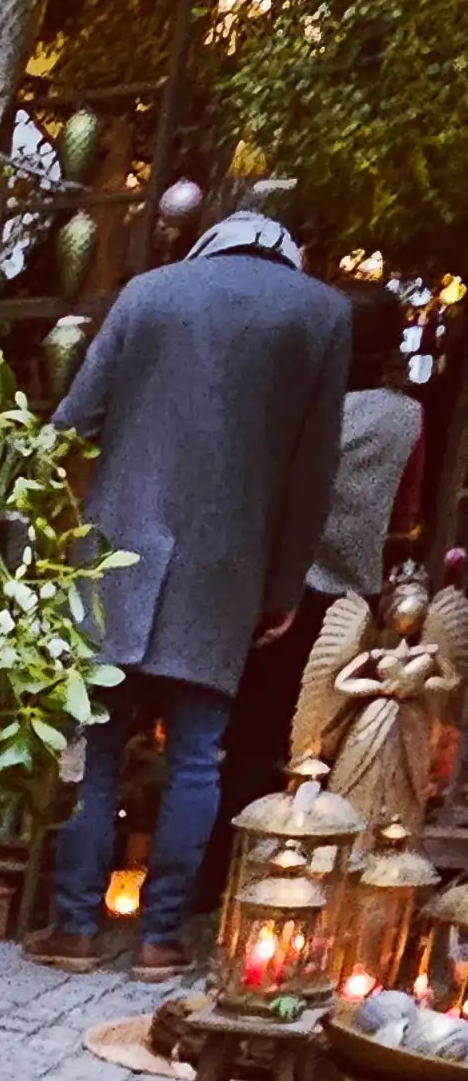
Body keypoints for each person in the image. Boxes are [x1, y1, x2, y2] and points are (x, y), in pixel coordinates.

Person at [26, 211, 351, 980]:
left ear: (209, 242)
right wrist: (282, 586)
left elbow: (74, 420)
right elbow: (312, 468)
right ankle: (159, 938)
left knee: (94, 749)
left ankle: (73, 927)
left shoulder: (146, 292)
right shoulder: (320, 314)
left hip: (111, 557)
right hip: (224, 569)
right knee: (197, 758)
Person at [190, 282, 425, 906]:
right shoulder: (405, 420)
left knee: (236, 739)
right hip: (347, 607)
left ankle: (213, 879)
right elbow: (405, 519)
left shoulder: (289, 404)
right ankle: (283, 880)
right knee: (311, 748)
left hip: (268, 590)